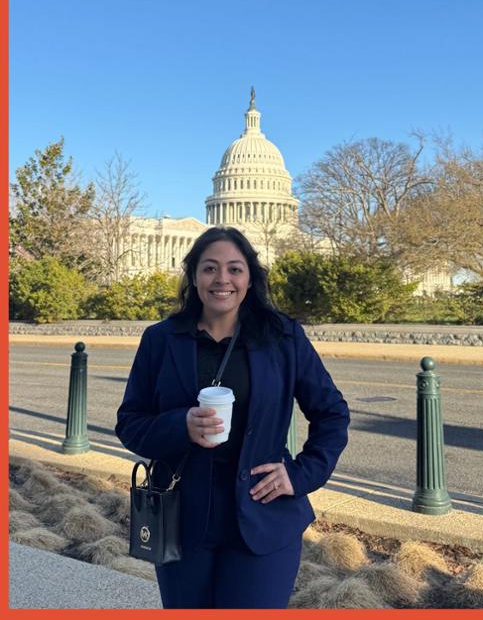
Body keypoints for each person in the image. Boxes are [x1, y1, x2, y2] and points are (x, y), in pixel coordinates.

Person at [116, 227, 350, 608]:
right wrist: (182, 425)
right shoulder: (161, 339)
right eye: (209, 268)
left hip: (263, 520)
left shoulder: (282, 337)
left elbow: (332, 413)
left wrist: (300, 473)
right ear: (193, 276)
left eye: (234, 269)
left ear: (249, 278)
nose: (222, 279)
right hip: (181, 521)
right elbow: (130, 423)